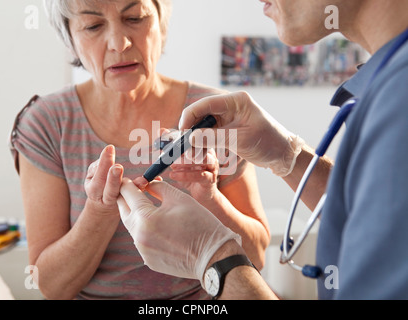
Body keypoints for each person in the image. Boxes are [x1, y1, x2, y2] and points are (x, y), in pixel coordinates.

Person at [117, 0, 408, 299]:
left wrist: (214, 260)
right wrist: (288, 156)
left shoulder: (400, 99)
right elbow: (379, 222)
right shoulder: (390, 80)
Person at [9, 0, 270, 300]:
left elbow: (257, 256)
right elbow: (51, 286)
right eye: (93, 26)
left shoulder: (216, 111)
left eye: (135, 17)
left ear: (162, 23)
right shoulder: (45, 122)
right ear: (69, 40)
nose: (119, 43)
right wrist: (99, 210)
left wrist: (209, 197)